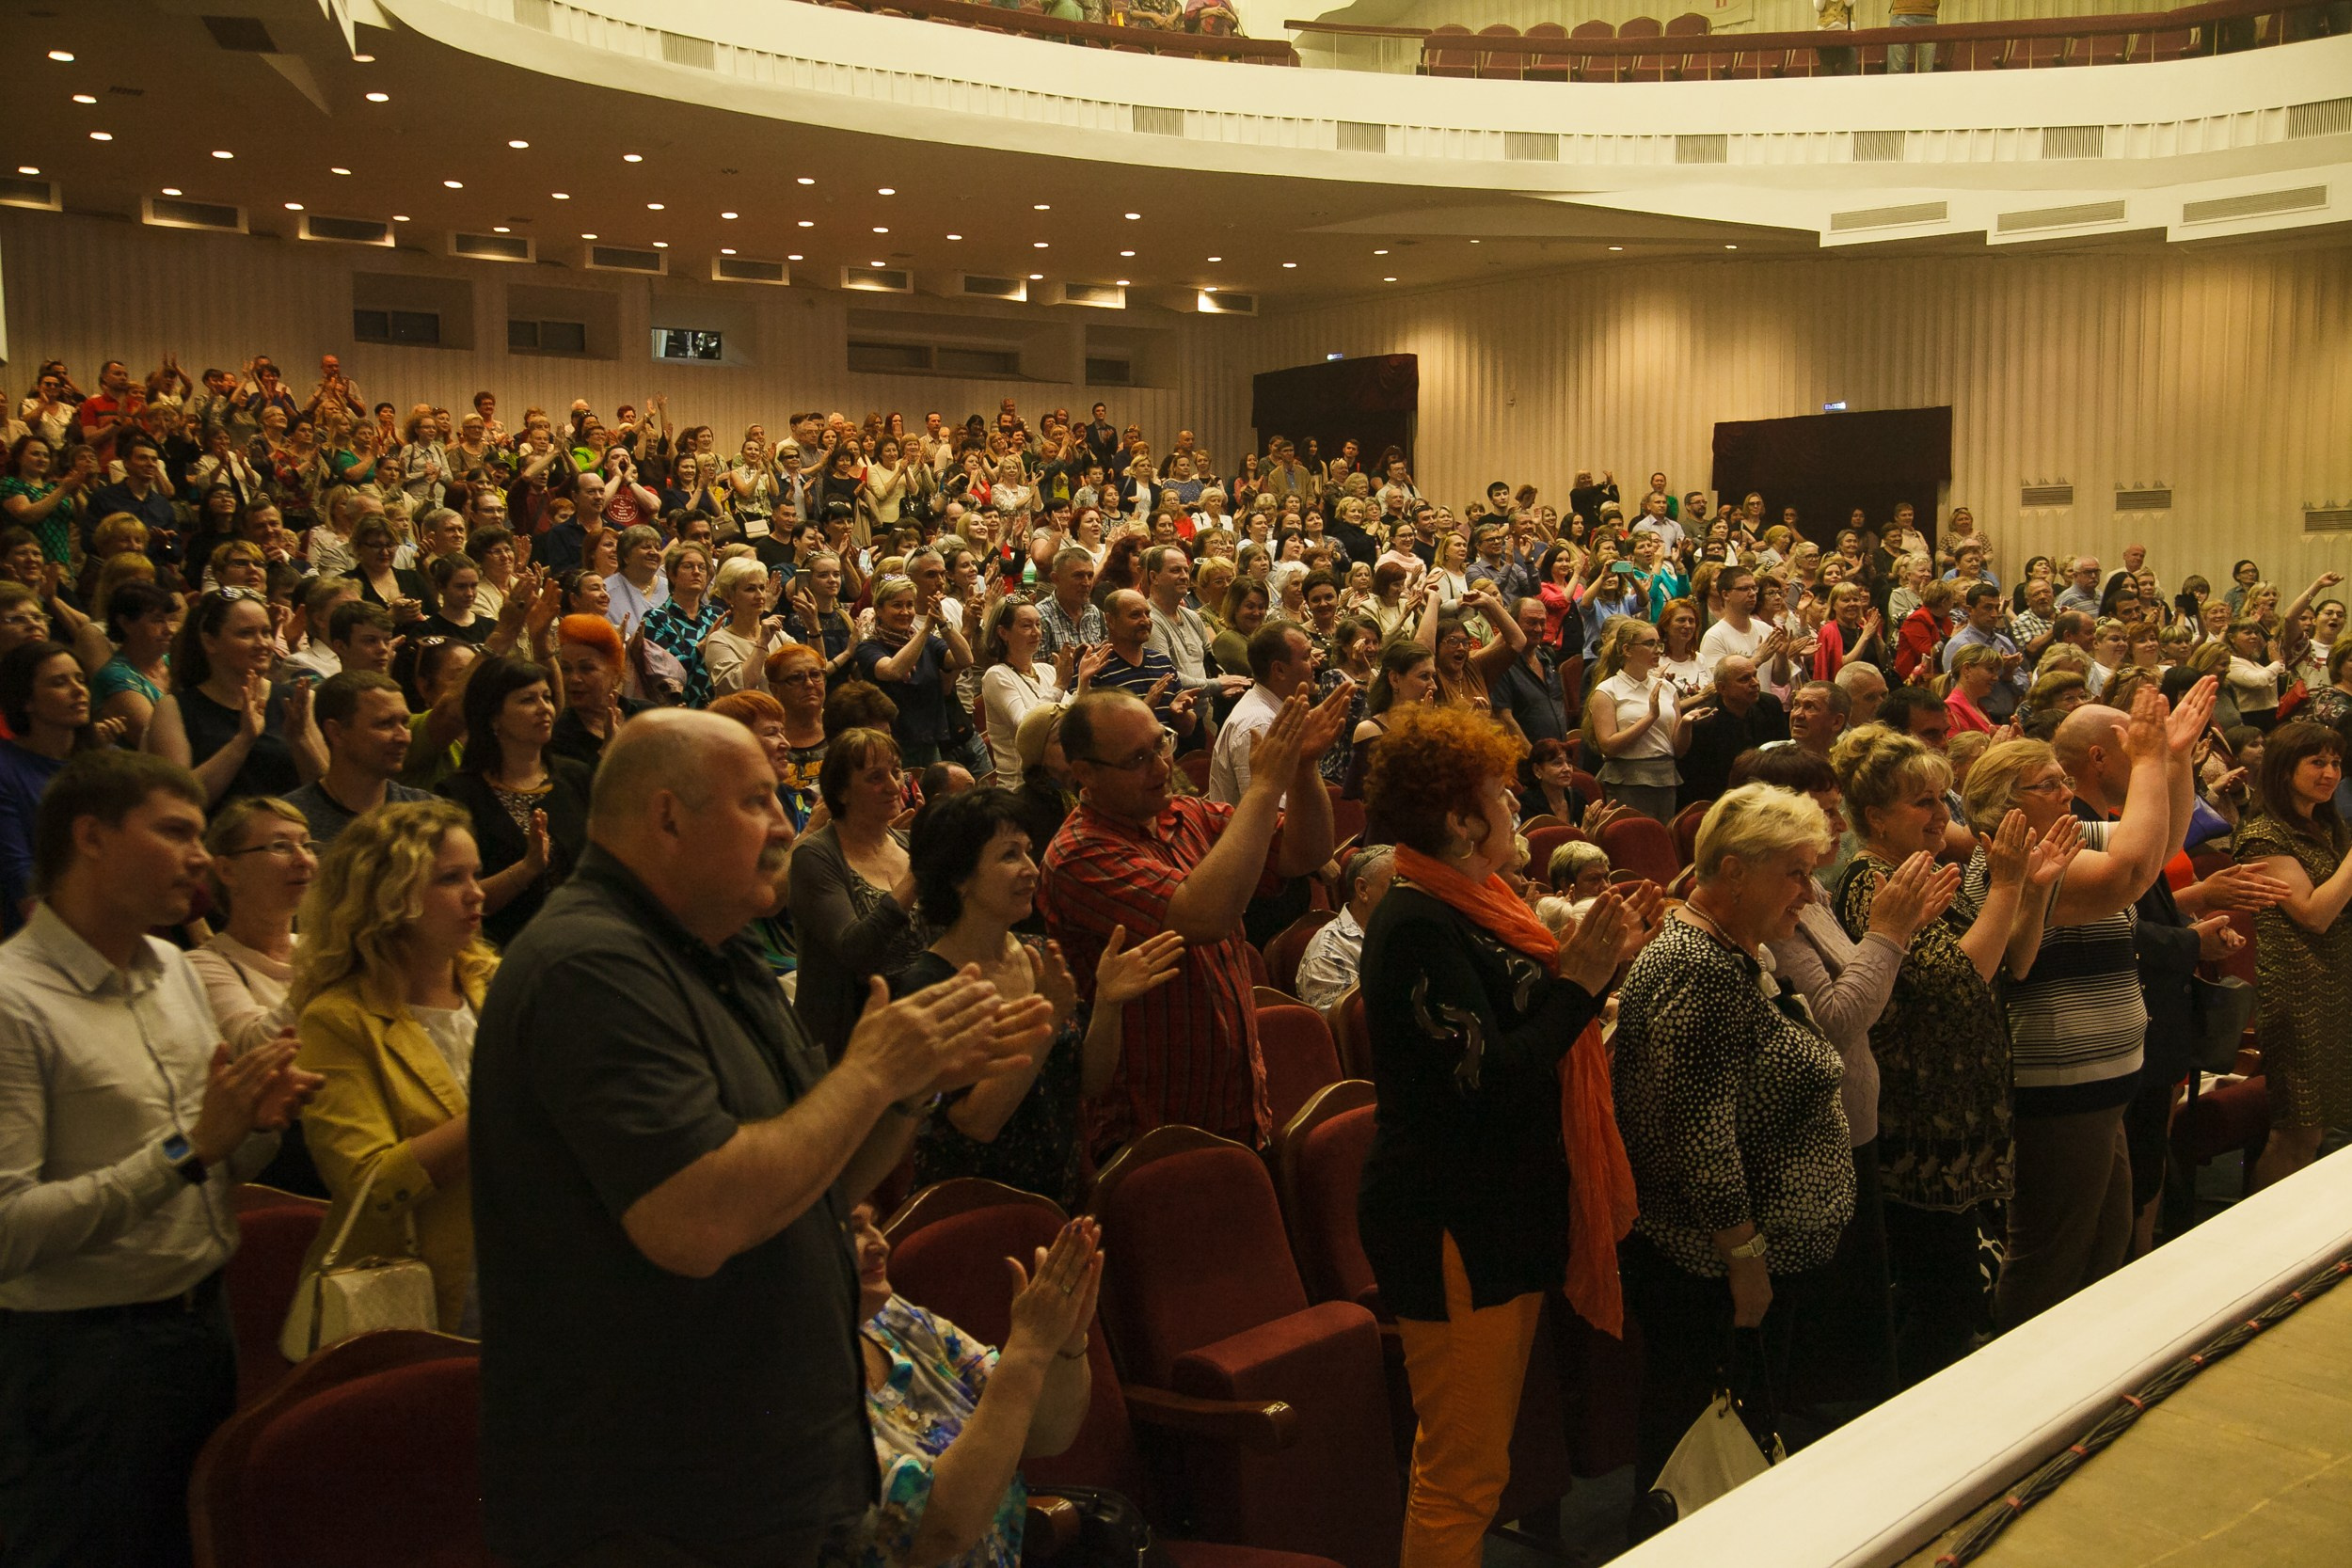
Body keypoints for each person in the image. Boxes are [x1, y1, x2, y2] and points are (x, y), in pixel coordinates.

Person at [469, 710, 1051, 1567]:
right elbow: (695, 1216)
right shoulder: (586, 966)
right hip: (663, 1504)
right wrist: (870, 1075)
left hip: (779, 1473)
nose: (787, 823)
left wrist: (906, 1089)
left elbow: (817, 1180)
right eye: (758, 802)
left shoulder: (719, 952)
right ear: (666, 816)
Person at [0, 751, 319, 1567]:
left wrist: (258, 1124)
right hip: (76, 1361)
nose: (201, 856)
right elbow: (8, 1232)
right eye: (176, 831)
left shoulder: (174, 968)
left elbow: (220, 1161)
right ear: (92, 837)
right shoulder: (13, 1001)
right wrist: (192, 1147)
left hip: (198, 1326)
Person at [1355, 703, 1654, 1568]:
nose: (1516, 808)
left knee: (1472, 1461)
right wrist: (1584, 984)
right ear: (1458, 817)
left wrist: (1596, 965)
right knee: (1463, 1475)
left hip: (1497, 1209)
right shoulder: (1415, 922)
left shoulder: (1479, 901)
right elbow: (1488, 1079)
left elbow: (1524, 1016)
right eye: (1502, 795)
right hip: (1449, 1220)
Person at [1614, 786, 1857, 1501]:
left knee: (1733, 1449)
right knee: (1698, 1459)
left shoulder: (1728, 951)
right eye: (1796, 872)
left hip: (1732, 1265)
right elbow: (1700, 1134)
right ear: (1734, 870)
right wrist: (1745, 1259)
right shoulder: (1697, 966)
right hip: (1708, 1272)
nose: (1810, 893)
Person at [1960, 683, 2205, 1331]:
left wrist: (2172, 760)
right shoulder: (2009, 864)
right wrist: (2148, 758)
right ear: (2005, 808)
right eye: (2046, 784)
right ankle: (2017, 1389)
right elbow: (2128, 875)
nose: (2064, 790)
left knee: (2106, 1240)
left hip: (2104, 1079)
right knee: (2052, 1255)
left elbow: (2156, 846)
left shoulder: (2066, 835)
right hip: (2059, 1084)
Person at [1828, 724, 2054, 1385]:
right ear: (1876, 816)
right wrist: (2006, 883)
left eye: (1942, 800)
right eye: (1922, 803)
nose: (1941, 816)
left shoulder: (1916, 871)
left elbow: (2017, 957)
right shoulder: (1871, 881)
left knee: (1954, 1294)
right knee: (1939, 1304)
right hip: (1917, 1129)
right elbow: (1962, 976)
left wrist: (2032, 887)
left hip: (1957, 1119)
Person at [1733, 746, 1956, 1409]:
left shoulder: (1817, 892)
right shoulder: (1780, 911)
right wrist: (1890, 933)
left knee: (1861, 1336)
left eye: (1835, 810)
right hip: (1813, 1142)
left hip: (1853, 1122)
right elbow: (1836, 1020)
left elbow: (1861, 987)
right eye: (1824, 812)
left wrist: (1900, 930)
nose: (1838, 826)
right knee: (1828, 1356)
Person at [1041, 686, 1348, 1151]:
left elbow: (1307, 852)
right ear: (1084, 774)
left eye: (1160, 743)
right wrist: (1265, 786)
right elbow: (1206, 916)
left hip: (1238, 1100)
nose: (1163, 767)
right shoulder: (1077, 855)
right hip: (1152, 1129)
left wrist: (1302, 770)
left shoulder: (1187, 813)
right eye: (1136, 760)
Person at [896, 788, 1184, 1208]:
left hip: (1064, 1193)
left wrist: (1108, 1002)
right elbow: (977, 1122)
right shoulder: (929, 986)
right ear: (960, 878)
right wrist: (1046, 1022)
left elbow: (1088, 1082)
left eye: (1029, 852)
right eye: (1009, 856)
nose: (1032, 869)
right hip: (979, 1211)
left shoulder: (1037, 953)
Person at [284, 800, 495, 1342]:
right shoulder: (338, 1019)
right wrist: (501, 1110)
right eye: (451, 879)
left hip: (532, 1258)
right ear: (388, 897)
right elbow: (368, 1182)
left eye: (474, 874)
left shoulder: (497, 983)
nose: (477, 893)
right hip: (430, 1282)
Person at [850, 1206, 1100, 1568]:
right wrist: (1029, 1350)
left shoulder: (891, 1318)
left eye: (874, 1223)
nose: (880, 1244)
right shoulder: (780, 1385)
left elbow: (1044, 1435)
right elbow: (936, 1533)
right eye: (855, 1230)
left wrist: (1064, 1345)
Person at [2232, 719, 2352, 1190]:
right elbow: (2313, 914)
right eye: (2317, 762)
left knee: (2320, 1129)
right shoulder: (2264, 835)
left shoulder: (2322, 824)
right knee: (2296, 1133)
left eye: (2336, 762)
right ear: (2284, 771)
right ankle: (2259, 1242)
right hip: (2299, 996)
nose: (2330, 772)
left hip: (2335, 986)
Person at [791, 727, 935, 1061]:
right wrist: (917, 876)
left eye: (896, 772)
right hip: (850, 1043)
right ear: (842, 792)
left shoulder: (906, 844)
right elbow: (855, 950)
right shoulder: (815, 856)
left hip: (917, 1027)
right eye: (874, 777)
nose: (893, 786)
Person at [436, 655, 592, 948]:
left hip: (581, 941)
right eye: (527, 700)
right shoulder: (459, 795)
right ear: (493, 716)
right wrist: (526, 869)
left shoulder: (575, 775)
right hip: (505, 951)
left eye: (546, 697)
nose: (544, 708)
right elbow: (458, 898)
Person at [146, 589, 322, 810]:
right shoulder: (174, 708)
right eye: (246, 634)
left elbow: (326, 795)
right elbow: (179, 801)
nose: (262, 644)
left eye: (266, 632)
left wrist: (301, 740)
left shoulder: (297, 701)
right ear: (210, 642)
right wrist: (243, 740)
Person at [0, 641, 117, 936]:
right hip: (48, 933)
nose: (79, 691)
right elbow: (21, 875)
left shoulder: (111, 763)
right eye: (58, 683)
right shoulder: (6, 769)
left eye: (80, 679)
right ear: (26, 700)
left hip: (123, 915)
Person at [277, 670, 435, 846]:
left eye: (404, 723)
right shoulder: (288, 823)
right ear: (336, 732)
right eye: (385, 724)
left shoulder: (429, 814)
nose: (403, 737)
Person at [855, 577, 973, 769]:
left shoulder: (926, 642)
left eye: (910, 605)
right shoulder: (869, 647)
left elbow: (965, 659)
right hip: (892, 745)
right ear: (878, 609)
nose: (905, 612)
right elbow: (893, 670)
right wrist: (926, 629)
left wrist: (943, 623)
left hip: (929, 742)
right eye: (897, 605)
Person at [1585, 617, 1694, 823]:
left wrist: (1686, 724)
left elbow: (1678, 750)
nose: (1657, 649)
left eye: (1658, 643)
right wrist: (1651, 717)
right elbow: (1608, 746)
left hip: (1665, 776)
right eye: (1649, 644)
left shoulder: (1667, 688)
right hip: (1628, 778)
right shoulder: (1608, 690)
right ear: (1627, 650)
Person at [1209, 620, 1320, 807]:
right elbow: (1266, 816)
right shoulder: (1259, 725)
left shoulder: (1273, 709)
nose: (1315, 663)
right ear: (1279, 670)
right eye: (1307, 656)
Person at [1677, 655, 1789, 806]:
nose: (1755, 683)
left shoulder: (1770, 705)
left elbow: (1782, 754)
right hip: (1719, 799)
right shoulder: (1704, 721)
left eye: (1755, 675)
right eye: (1744, 679)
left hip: (1767, 793)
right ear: (1722, 688)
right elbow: (1697, 781)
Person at [1295, 844, 1395, 1010]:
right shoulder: (1328, 953)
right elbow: (1347, 1028)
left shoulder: (1407, 930)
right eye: (1396, 885)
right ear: (1363, 889)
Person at [702, 555, 787, 699]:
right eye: (750, 589)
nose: (760, 595)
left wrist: (814, 630)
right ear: (729, 597)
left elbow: (815, 668)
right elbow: (739, 689)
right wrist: (762, 644)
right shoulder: (719, 641)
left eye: (761, 588)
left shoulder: (779, 636)